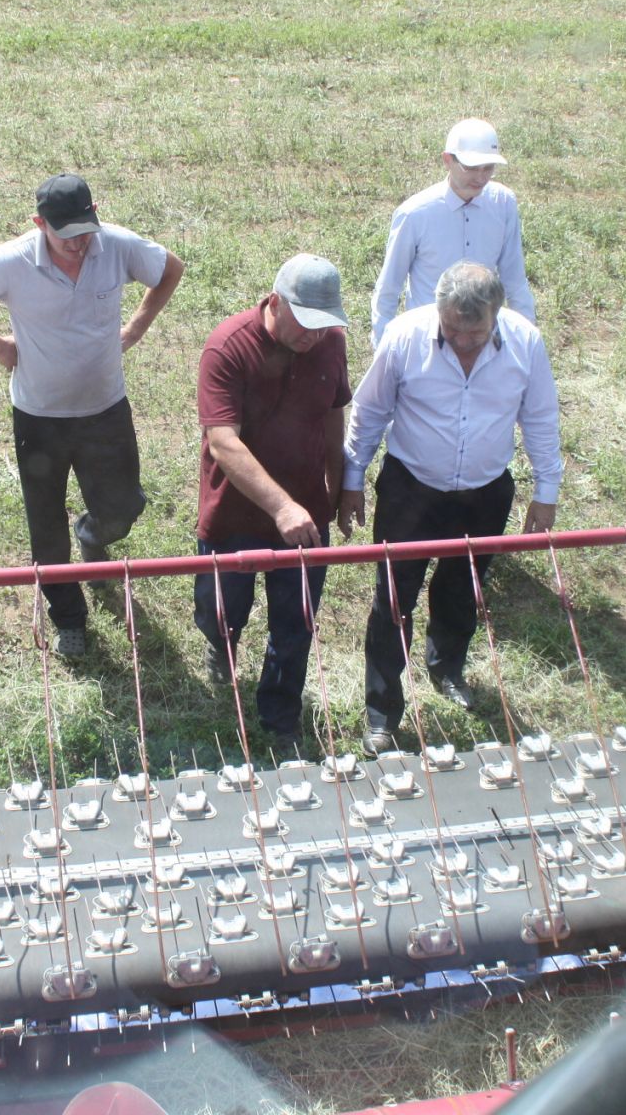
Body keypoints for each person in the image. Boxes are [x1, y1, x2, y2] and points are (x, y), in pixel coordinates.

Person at [0, 174, 184, 657]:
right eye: (66, 236)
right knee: (45, 528)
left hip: (105, 409)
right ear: (39, 224)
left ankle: (92, 534)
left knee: (124, 506)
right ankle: (68, 617)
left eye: (86, 230)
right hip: (39, 418)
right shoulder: (13, 261)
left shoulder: (116, 246)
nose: (79, 245)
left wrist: (138, 325)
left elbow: (170, 268)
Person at [339, 262, 563, 757]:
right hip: (411, 491)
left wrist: (545, 491)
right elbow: (370, 410)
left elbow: (541, 417)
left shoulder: (525, 344)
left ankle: (447, 669)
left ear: (497, 318)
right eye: (453, 330)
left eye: (476, 333)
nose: (463, 342)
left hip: (485, 493)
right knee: (394, 600)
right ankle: (382, 712)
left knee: (463, 592)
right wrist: (352, 480)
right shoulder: (404, 336)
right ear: (438, 313)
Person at [195, 254, 353, 751]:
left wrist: (344, 483)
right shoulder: (228, 347)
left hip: (307, 510)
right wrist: (280, 507)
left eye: (322, 326)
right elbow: (223, 442)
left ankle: (280, 713)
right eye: (305, 324)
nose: (313, 337)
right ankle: (223, 645)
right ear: (277, 302)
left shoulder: (330, 344)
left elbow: (333, 415)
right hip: (235, 512)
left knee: (297, 620)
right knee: (219, 608)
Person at [370, 118, 536, 348]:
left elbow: (515, 279)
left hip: (483, 340)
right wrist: (383, 350)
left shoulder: (503, 203)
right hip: (428, 343)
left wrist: (527, 344)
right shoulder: (414, 214)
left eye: (488, 168)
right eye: (471, 168)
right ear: (447, 159)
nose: (481, 178)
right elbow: (388, 289)